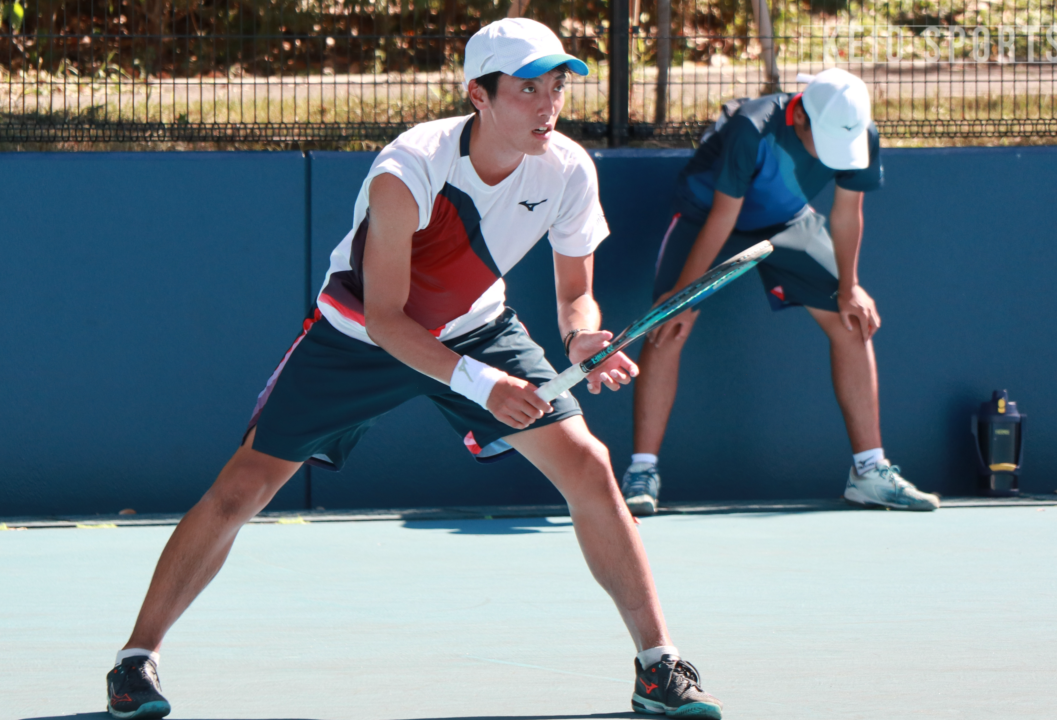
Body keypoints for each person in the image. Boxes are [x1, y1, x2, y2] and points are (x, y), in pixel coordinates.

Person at [105, 18, 723, 720]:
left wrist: (582, 339)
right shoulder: (409, 169)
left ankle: (657, 666)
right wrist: (486, 386)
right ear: (478, 95)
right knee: (241, 488)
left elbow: (575, 295)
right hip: (359, 339)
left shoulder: (569, 169)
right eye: (527, 89)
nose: (548, 104)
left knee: (589, 463)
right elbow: (387, 320)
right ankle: (135, 662)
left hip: (478, 328)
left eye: (556, 87)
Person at [620, 69, 941, 517]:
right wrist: (683, 297)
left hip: (788, 222)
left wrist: (849, 287)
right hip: (707, 217)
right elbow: (723, 217)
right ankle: (641, 472)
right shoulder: (751, 128)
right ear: (799, 117)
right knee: (668, 327)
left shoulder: (859, 131)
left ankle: (869, 472)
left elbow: (847, 212)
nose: (830, 155)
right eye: (822, 142)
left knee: (852, 319)